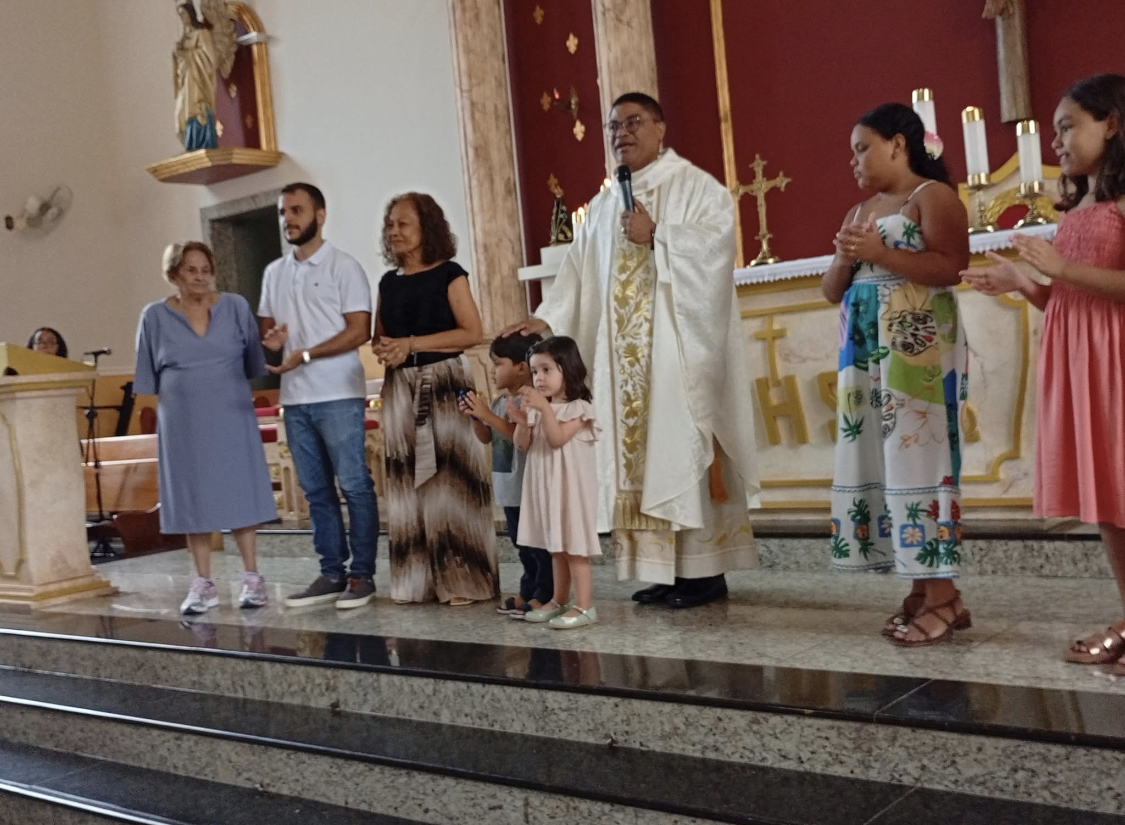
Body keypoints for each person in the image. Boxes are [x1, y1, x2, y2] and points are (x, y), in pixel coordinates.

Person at [502, 92, 760, 609]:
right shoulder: (602, 207)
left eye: (633, 122)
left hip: (673, 356)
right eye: (613, 126)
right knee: (636, 464)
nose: (622, 133)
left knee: (676, 449)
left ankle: (703, 574)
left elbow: (716, 249)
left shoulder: (694, 187)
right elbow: (576, 276)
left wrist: (658, 234)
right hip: (621, 369)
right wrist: (548, 318)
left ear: (661, 128)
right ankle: (664, 571)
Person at [962, 74, 1125, 668]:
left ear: (1112, 123)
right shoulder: (1079, 206)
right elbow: (1069, 301)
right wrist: (1024, 283)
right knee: (1109, 502)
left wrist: (1061, 268)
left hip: (1117, 358)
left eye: (1067, 127)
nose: (1056, 141)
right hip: (1083, 360)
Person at [822, 103, 971, 646]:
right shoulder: (859, 210)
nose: (854, 161)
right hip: (864, 354)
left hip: (916, 349)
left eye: (862, 148)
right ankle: (921, 586)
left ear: (898, 144)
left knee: (918, 457)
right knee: (884, 463)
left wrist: (880, 253)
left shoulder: (932, 196)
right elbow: (831, 290)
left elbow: (951, 266)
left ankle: (943, 595)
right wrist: (846, 258)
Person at [133, 241, 276, 615]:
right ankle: (203, 584)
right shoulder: (153, 315)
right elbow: (147, 375)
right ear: (174, 275)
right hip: (183, 420)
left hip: (231, 412)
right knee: (193, 495)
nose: (200, 277)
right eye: (191, 270)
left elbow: (255, 363)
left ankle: (252, 578)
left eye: (205, 270)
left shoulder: (235, 306)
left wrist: (274, 346)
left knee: (240, 488)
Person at [373, 192, 497, 606]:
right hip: (400, 388)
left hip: (444, 384)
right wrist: (387, 349)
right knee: (406, 482)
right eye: (390, 224)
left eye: (403, 223)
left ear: (427, 227)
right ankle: (417, 581)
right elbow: (380, 336)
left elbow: (471, 332)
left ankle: (463, 579)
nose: (394, 231)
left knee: (450, 482)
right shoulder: (387, 282)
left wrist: (411, 344)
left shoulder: (450, 274)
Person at [260, 183, 378, 610]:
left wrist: (307, 354)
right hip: (295, 398)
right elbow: (268, 334)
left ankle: (362, 575)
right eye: (283, 212)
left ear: (320, 215)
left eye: (296, 210)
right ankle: (331, 573)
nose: (288, 219)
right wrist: (273, 345)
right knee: (315, 491)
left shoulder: (343, 267)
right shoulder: (274, 272)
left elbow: (360, 330)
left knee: (354, 485)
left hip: (338, 392)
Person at [509, 337, 600, 629]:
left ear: (567, 368)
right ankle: (559, 600)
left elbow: (557, 439)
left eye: (546, 370)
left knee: (574, 547)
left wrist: (544, 411)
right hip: (547, 488)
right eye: (535, 371)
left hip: (571, 490)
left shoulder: (580, 408)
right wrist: (522, 421)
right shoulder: (540, 408)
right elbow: (522, 445)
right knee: (556, 547)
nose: (539, 378)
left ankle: (585, 606)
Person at [460, 332, 552, 618]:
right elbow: (486, 437)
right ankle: (528, 589)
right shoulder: (501, 402)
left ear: (522, 367)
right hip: (509, 488)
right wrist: (477, 417)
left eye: (498, 363)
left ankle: (545, 594)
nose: (492, 370)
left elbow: (520, 437)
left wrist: (488, 416)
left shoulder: (531, 402)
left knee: (538, 546)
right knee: (521, 544)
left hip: (530, 488)